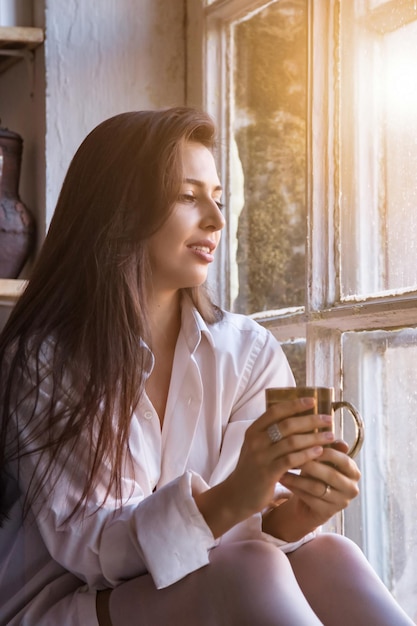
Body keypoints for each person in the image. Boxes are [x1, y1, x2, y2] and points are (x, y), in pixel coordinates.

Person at [0, 107, 413, 626]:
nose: (217, 220)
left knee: (330, 554)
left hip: (208, 583)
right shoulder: (46, 360)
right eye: (189, 197)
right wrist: (231, 497)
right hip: (68, 605)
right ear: (121, 210)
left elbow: (251, 538)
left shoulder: (247, 351)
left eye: (218, 200)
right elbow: (92, 554)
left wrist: (296, 516)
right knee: (250, 569)